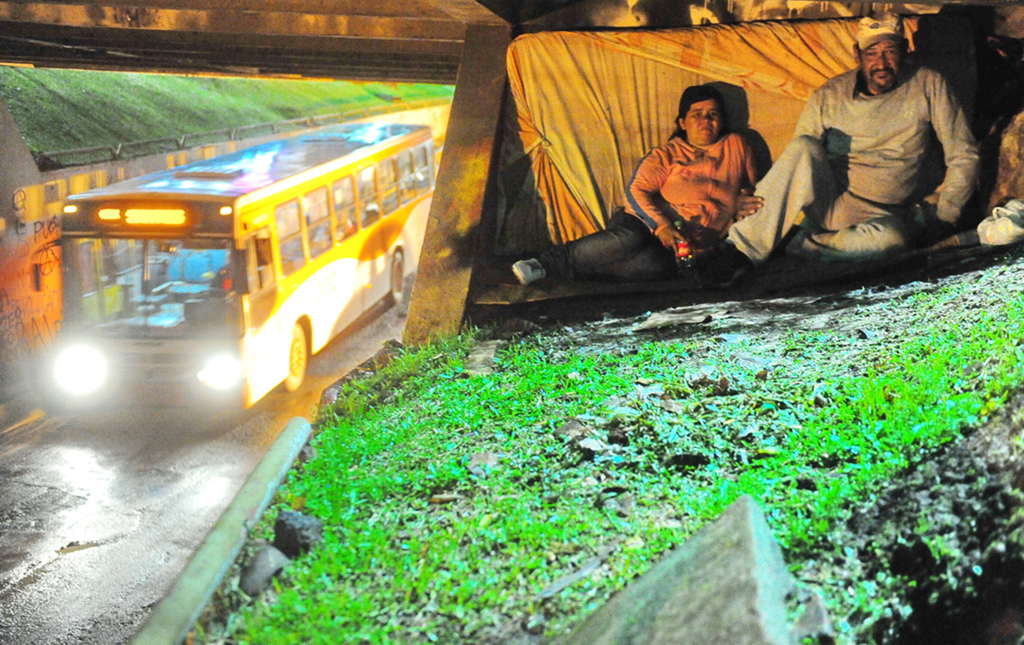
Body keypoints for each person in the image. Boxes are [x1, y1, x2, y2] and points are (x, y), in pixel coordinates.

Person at [700, 12, 981, 287]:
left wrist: (947, 215)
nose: (881, 63)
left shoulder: (929, 84)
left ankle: (797, 243)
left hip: (884, 215)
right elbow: (796, 164)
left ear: (904, 51)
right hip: (830, 204)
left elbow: (963, 154)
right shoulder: (829, 95)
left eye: (890, 52)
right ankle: (738, 252)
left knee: (893, 242)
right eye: (872, 53)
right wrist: (759, 200)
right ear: (857, 55)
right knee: (804, 145)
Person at [511, 84, 759, 285]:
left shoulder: (737, 146)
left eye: (713, 114)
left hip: (685, 245)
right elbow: (635, 191)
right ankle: (544, 263)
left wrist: (741, 200)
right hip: (644, 222)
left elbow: (750, 186)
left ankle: (575, 275)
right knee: (630, 238)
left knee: (654, 267)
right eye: (697, 114)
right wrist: (661, 226)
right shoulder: (667, 154)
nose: (705, 120)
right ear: (683, 122)